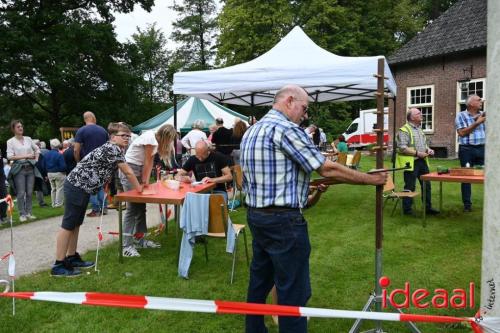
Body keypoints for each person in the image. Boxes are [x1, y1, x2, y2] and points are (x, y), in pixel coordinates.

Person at [240, 84, 386, 333]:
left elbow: (271, 175)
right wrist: (370, 179)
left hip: (257, 216)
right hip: (283, 221)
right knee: (293, 292)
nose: (304, 115)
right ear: (289, 101)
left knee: (259, 282)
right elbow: (326, 168)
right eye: (304, 108)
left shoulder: (251, 131)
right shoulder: (286, 129)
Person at [51, 122, 143, 277]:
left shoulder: (113, 149)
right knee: (68, 224)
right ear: (113, 137)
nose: (127, 138)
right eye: (123, 135)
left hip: (81, 187)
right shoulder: (113, 149)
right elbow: (128, 173)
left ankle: (72, 257)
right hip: (76, 186)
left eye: (128, 135)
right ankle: (58, 265)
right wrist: (140, 191)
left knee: (76, 224)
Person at [120, 124, 177, 257]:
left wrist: (144, 182)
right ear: (165, 136)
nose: (170, 143)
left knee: (141, 207)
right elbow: (147, 162)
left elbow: (149, 163)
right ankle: (126, 246)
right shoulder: (150, 139)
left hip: (137, 169)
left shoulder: (154, 140)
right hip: (131, 170)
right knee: (132, 208)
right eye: (170, 139)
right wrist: (144, 182)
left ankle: (140, 240)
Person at [396, 108, 440, 216]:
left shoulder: (419, 129)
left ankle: (428, 208)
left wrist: (428, 149)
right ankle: (407, 210)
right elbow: (402, 148)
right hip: (411, 162)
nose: (421, 114)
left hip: (422, 161)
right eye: (418, 113)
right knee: (410, 186)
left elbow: (423, 145)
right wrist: (417, 153)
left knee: (427, 185)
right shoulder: (404, 130)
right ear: (412, 117)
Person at [74, 111, 109, 217]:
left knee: (90, 186)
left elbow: (76, 149)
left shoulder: (81, 130)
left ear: (85, 119)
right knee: (100, 185)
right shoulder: (103, 130)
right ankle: (104, 207)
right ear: (93, 118)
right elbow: (108, 147)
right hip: (102, 162)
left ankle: (95, 209)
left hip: (88, 162)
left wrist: (78, 162)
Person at [455, 94, 485, 212]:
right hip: (467, 150)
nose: (481, 101)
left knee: (491, 175)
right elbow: (462, 133)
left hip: (483, 149)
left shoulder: (483, 114)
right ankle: (467, 205)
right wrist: (477, 122)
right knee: (466, 177)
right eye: (478, 100)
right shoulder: (460, 116)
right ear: (471, 103)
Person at [6, 120, 41, 222]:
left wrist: (36, 159)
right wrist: (26, 156)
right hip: (19, 169)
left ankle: (29, 213)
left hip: (30, 168)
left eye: (21, 126)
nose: (21, 128)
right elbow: (9, 156)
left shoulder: (28, 139)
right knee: (21, 193)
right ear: (13, 129)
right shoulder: (10, 141)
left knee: (30, 192)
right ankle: (22, 214)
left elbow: (37, 149)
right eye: (18, 127)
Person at [44, 138, 67, 208]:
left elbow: (43, 165)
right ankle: (58, 204)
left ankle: (53, 204)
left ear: (51, 146)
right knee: (59, 188)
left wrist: (46, 173)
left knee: (53, 189)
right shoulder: (59, 155)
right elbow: (63, 166)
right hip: (58, 173)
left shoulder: (46, 154)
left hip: (49, 173)